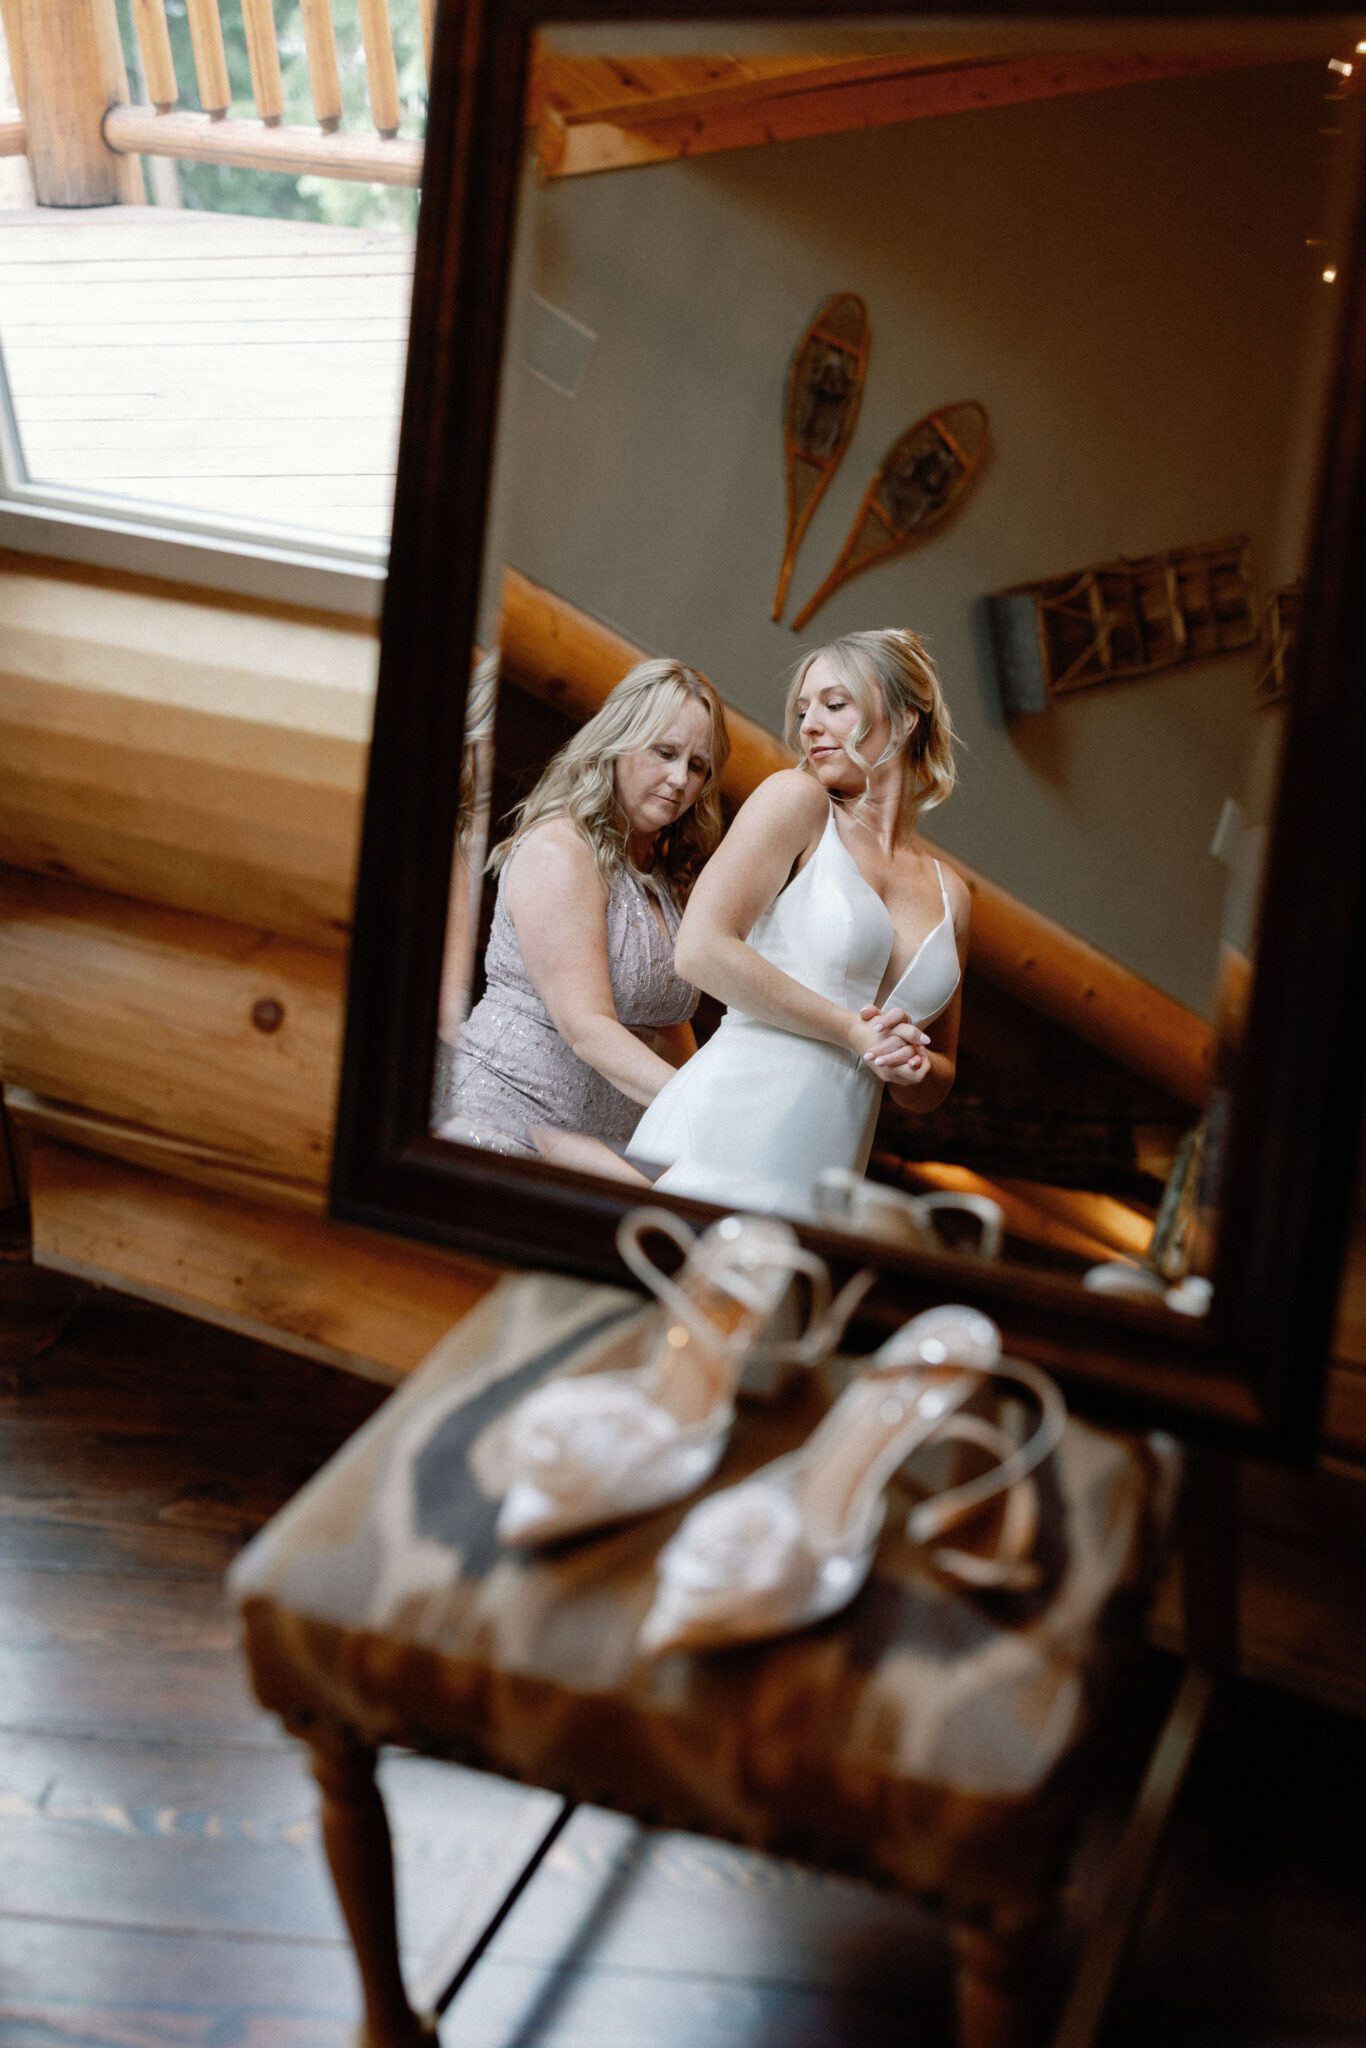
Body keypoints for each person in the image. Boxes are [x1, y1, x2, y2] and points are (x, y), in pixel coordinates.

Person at [625, 627, 969, 1209]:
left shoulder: (953, 893)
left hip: (832, 1159)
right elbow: (700, 949)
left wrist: (914, 1065)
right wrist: (850, 1030)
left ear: (909, 717)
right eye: (804, 709)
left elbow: (937, 1080)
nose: (809, 725)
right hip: (728, 1124)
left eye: (835, 705)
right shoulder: (796, 801)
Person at [439, 657, 729, 1162]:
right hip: (499, 1126)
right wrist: (702, 1110)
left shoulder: (661, 879)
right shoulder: (560, 850)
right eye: (665, 752)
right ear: (617, 742)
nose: (680, 778)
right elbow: (586, 1027)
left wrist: (715, 1110)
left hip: (596, 1151)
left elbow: (667, 1020)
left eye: (697, 765)